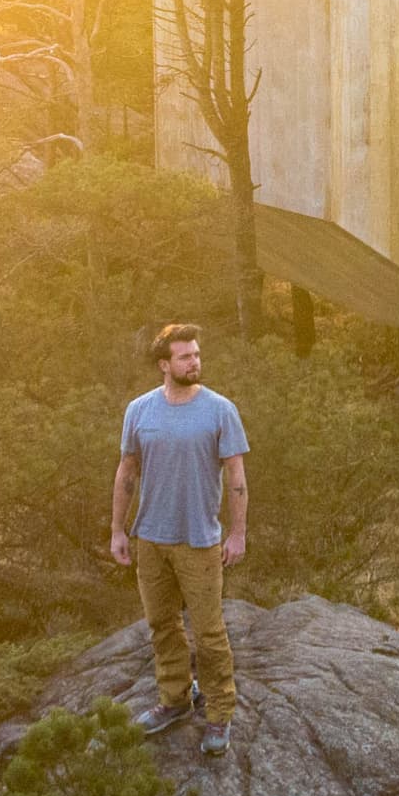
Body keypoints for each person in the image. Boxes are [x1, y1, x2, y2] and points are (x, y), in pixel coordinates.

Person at [109, 320, 249, 754]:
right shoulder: (139, 410)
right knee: (162, 626)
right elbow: (127, 472)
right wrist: (117, 528)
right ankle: (174, 699)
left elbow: (237, 476)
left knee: (209, 633)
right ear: (164, 365)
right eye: (186, 356)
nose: (195, 362)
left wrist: (238, 532)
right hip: (150, 537)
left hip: (199, 539)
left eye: (197, 354)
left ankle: (220, 713)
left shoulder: (219, 409)